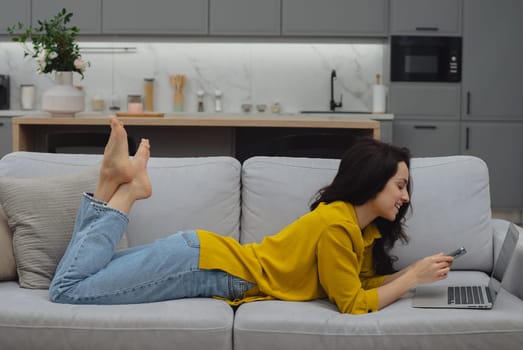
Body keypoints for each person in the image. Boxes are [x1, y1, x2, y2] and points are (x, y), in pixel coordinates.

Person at [49, 116, 454, 314]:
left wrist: (412, 273)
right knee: (67, 289)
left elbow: (359, 284)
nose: (405, 196)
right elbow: (351, 303)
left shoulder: (356, 228)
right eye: (400, 185)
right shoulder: (337, 224)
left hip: (201, 258)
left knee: (76, 279)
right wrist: (413, 280)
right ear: (373, 182)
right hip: (203, 267)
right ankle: (128, 190)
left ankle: (109, 185)